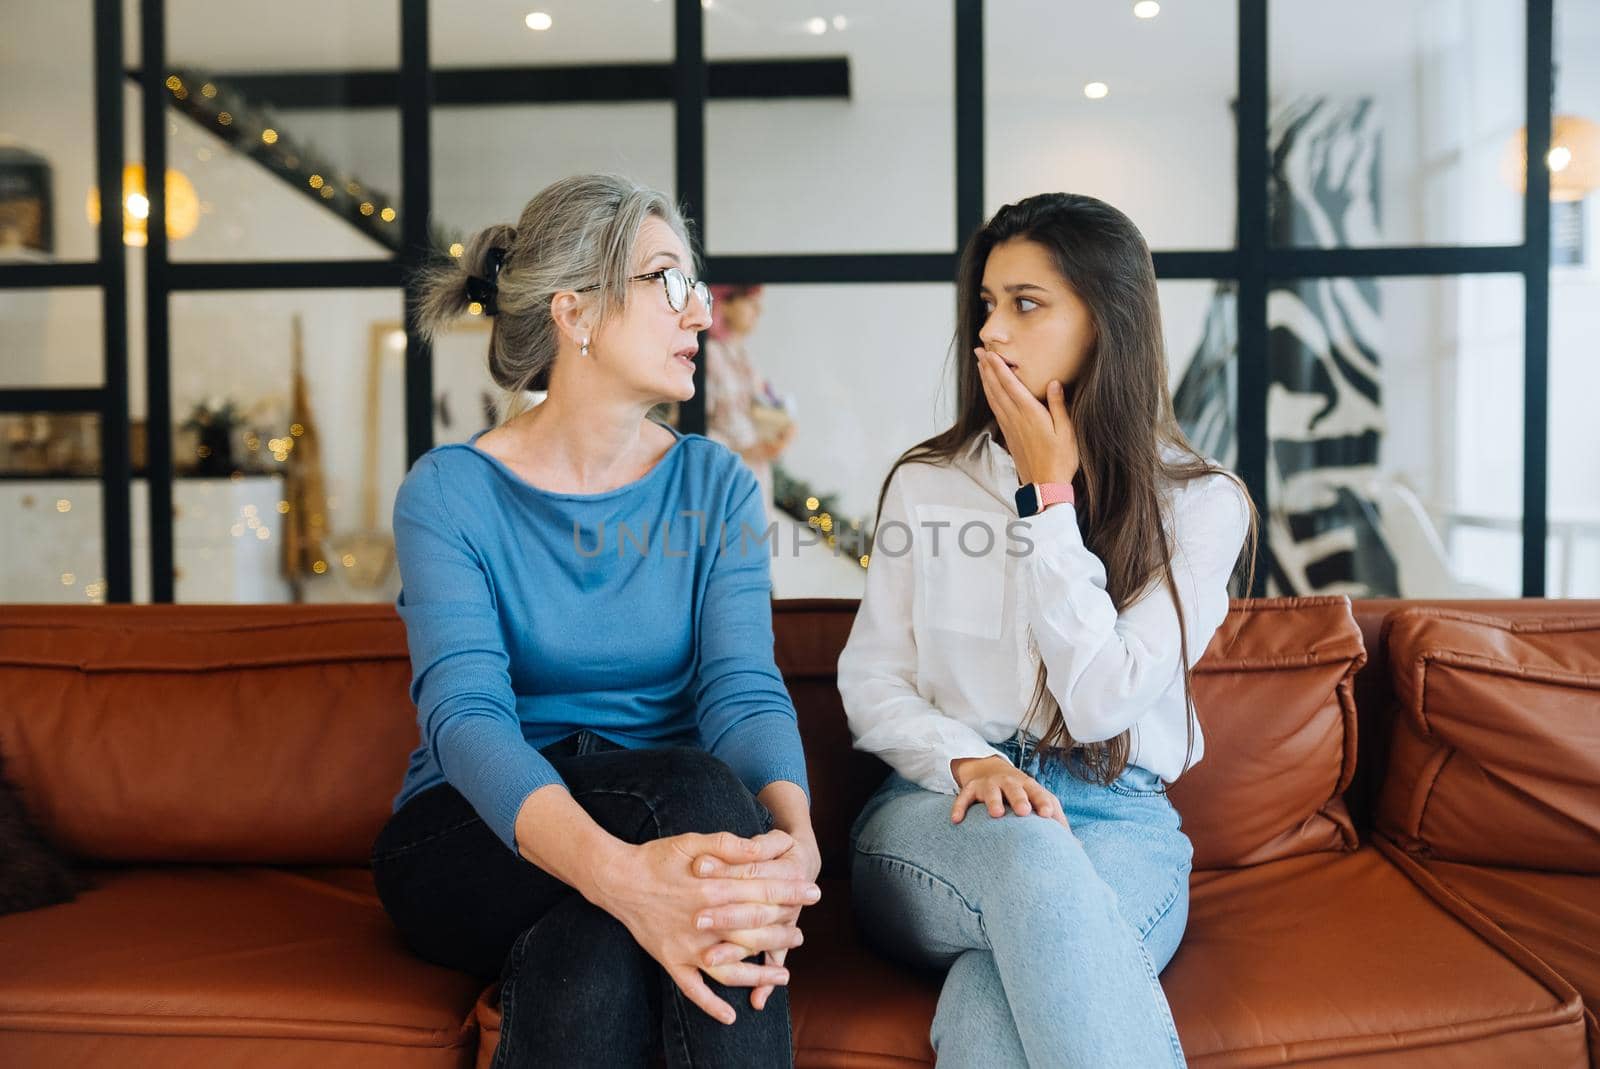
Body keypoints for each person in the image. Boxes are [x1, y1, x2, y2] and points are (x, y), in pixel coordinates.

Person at [370, 173, 822, 1069]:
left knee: (603, 942)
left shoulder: (716, 485)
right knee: (692, 801)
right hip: (469, 839)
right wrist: (627, 876)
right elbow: (466, 720)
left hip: (674, 829)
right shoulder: (449, 492)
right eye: (670, 282)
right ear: (574, 314)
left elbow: (740, 687)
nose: (701, 316)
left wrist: (792, 840)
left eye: (699, 287)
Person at [837, 192, 1259, 1068]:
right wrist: (966, 756)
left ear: (1106, 322)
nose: (992, 331)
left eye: (1027, 304)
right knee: (1028, 858)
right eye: (986, 304)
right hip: (942, 809)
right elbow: (871, 682)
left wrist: (1047, 501)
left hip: (1118, 819)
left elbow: (1101, 699)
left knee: (992, 1005)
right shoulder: (929, 483)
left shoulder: (1203, 504)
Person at [704, 283, 796, 517]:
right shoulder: (709, 356)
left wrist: (779, 431)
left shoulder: (743, 358)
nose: (759, 311)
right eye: (750, 302)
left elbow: (759, 412)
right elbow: (689, 428)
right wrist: (743, 451)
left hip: (751, 476)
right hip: (722, 479)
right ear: (725, 303)